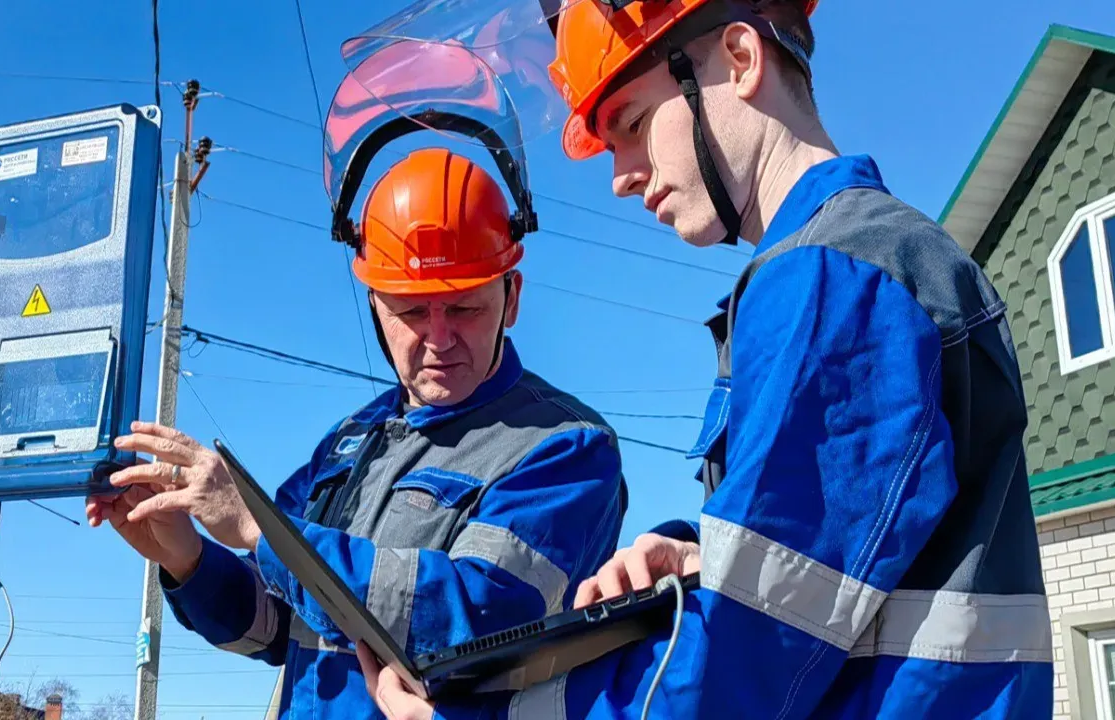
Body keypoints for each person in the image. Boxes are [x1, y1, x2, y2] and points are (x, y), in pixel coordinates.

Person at [358, 0, 1053, 717]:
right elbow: (856, 567)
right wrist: (703, 557)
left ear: (742, 59)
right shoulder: (870, 260)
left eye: (630, 124)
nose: (621, 176)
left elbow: (738, 663)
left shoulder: (831, 279)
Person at [86, 146, 629, 720]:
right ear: (374, 305)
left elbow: (480, 616)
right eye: (412, 313)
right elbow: (274, 628)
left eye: (465, 309)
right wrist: (187, 557)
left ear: (511, 297)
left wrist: (258, 529)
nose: (440, 339)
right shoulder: (352, 441)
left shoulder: (564, 447)